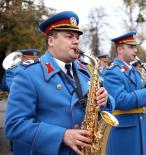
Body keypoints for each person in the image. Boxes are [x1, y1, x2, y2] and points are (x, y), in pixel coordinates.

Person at [4, 11, 114, 155]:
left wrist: (105, 100)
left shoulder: (86, 71)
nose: (76, 41)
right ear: (51, 41)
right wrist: (61, 135)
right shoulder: (28, 73)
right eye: (69, 36)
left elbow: (108, 104)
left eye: (77, 37)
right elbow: (14, 126)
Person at [103, 31, 146, 155]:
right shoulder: (112, 72)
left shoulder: (134, 71)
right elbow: (120, 100)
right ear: (120, 49)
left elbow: (138, 92)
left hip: (141, 125)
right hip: (125, 128)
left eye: (135, 46)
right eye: (131, 47)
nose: (135, 50)